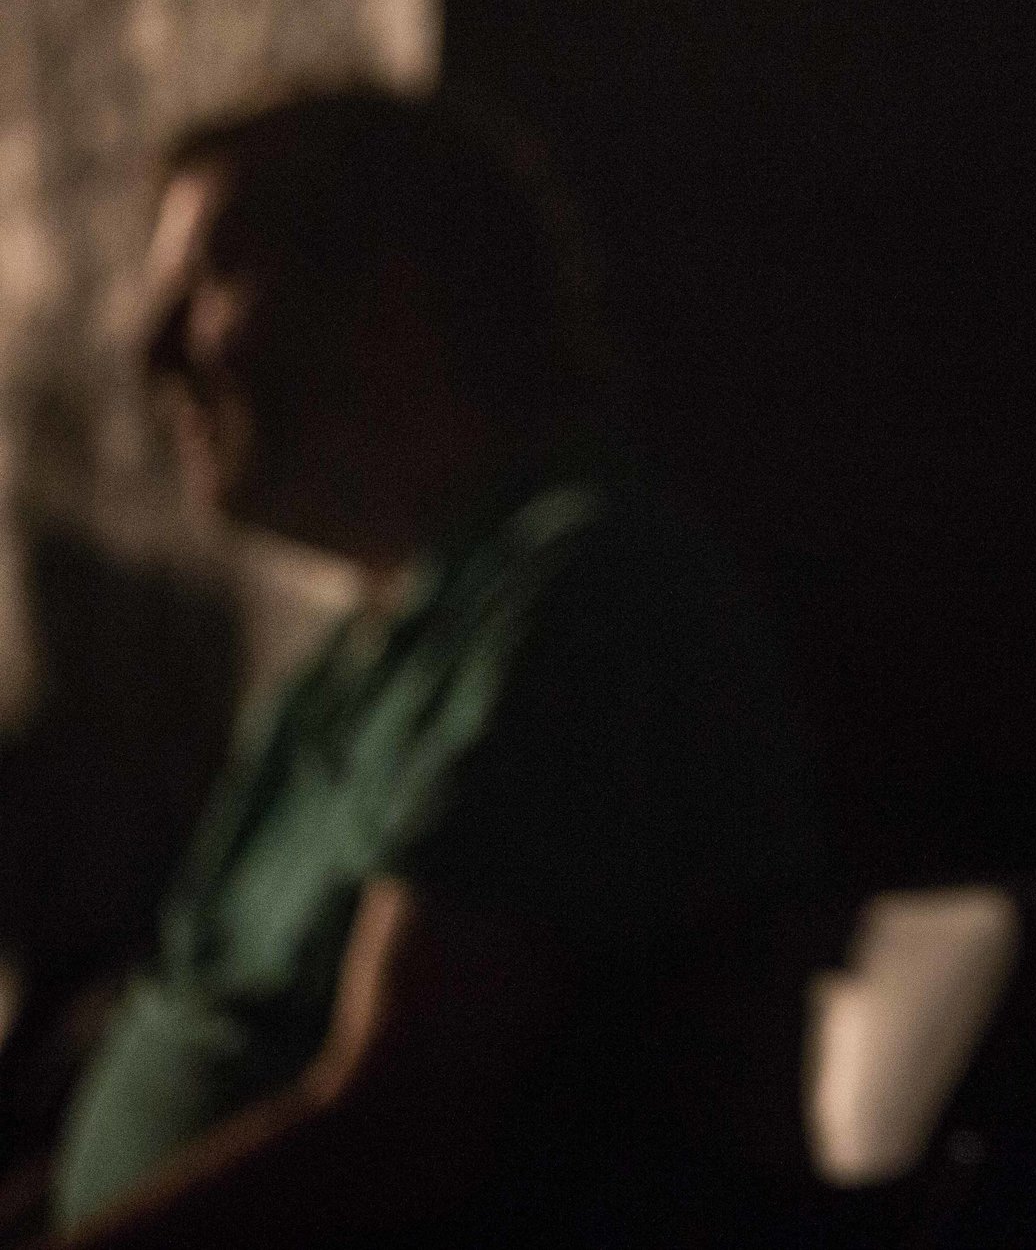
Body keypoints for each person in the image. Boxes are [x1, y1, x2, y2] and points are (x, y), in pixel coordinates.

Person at [37, 90, 823, 1247]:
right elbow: (199, 1028)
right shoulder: (357, 659)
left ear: (392, 304)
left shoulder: (579, 595)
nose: (149, 346)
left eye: (213, 275)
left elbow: (393, 1131)